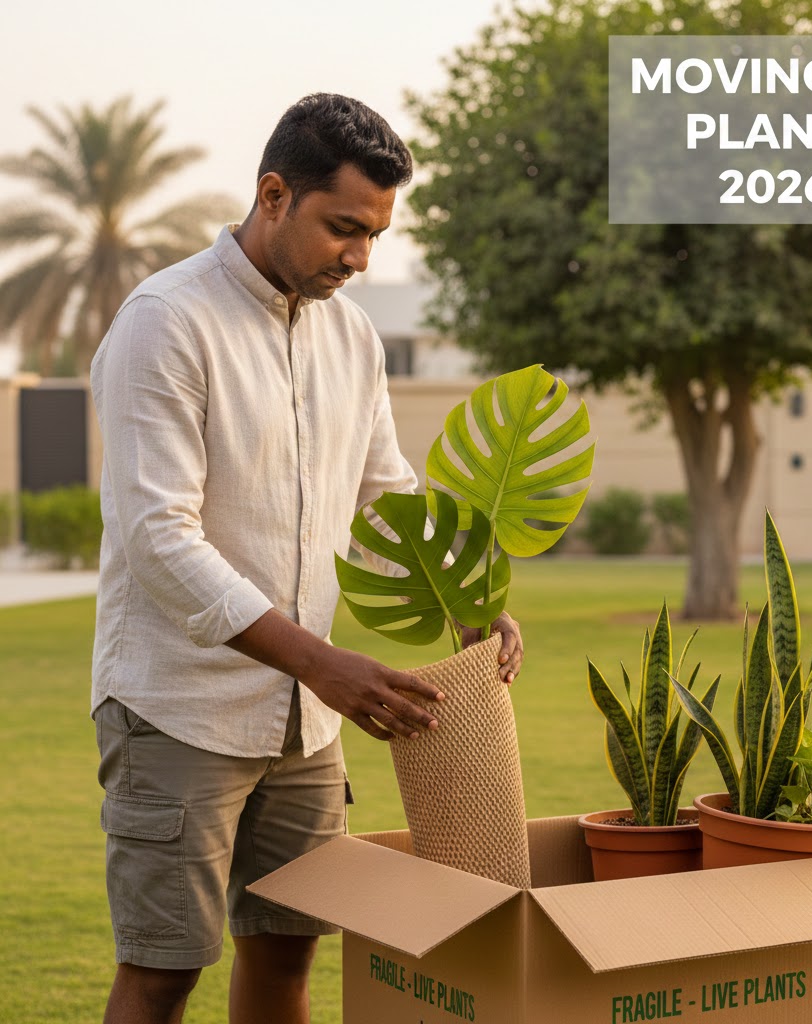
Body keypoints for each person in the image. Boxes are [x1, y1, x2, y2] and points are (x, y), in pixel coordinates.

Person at [89, 93, 523, 1024]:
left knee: (287, 964)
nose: (359, 259)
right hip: (178, 711)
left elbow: (384, 493)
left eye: (374, 236)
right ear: (275, 194)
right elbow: (160, 540)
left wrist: (467, 592)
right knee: (164, 972)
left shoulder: (351, 336)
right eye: (344, 229)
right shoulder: (165, 322)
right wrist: (326, 666)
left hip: (304, 730)